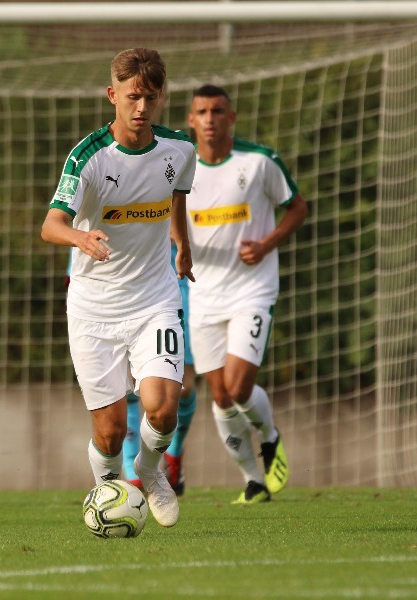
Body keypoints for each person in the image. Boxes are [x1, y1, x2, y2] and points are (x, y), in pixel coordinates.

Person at [41, 48, 196, 528]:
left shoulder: (179, 150)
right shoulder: (87, 157)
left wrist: (182, 245)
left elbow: (175, 197)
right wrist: (80, 236)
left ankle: (149, 474)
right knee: (108, 433)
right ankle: (106, 490)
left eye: (150, 97)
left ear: (161, 97)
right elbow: (50, 225)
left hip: (154, 299)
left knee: (163, 407)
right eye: (132, 97)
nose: (141, 108)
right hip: (94, 309)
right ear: (113, 95)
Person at [185, 84, 308, 504]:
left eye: (218, 111)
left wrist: (267, 244)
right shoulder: (179, 167)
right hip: (202, 295)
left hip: (251, 291)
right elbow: (167, 213)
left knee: (238, 388)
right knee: (219, 397)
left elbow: (297, 207)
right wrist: (181, 248)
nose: (209, 119)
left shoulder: (258, 162)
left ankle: (270, 436)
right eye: (201, 111)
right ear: (190, 120)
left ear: (231, 117)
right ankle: (254, 481)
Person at [121, 242, 198, 496]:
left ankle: (174, 454)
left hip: (175, 283)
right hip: (122, 288)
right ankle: (134, 475)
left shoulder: (179, 199)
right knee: (129, 382)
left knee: (182, 386)